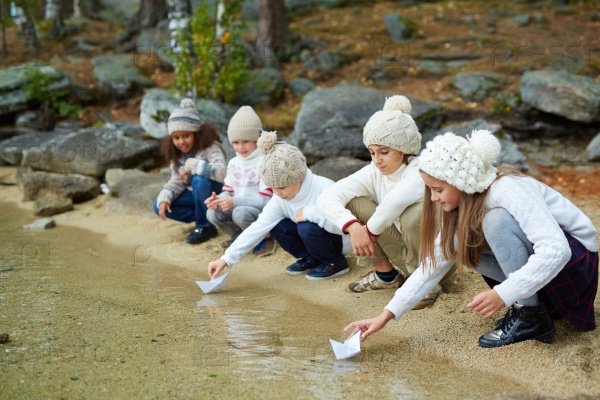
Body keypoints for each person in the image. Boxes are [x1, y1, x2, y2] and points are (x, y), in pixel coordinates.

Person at [345, 129, 598, 348]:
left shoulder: (507, 189)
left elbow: (557, 250)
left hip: (576, 265)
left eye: (438, 190)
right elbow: (431, 267)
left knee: (495, 221)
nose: (433, 198)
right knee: (462, 246)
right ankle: (539, 303)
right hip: (548, 272)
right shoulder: (462, 208)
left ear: (461, 182)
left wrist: (503, 293)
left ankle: (530, 315)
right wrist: (385, 316)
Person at [317, 95, 452, 308]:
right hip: (402, 253)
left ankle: (427, 284)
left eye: (384, 152)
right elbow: (327, 198)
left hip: (436, 258)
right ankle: (385, 276)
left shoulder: (420, 168)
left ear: (405, 149)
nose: (377, 159)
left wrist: (368, 232)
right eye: (372, 152)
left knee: (413, 214)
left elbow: (397, 200)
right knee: (355, 203)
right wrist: (352, 227)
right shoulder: (373, 171)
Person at [208, 131, 352, 281]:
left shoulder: (324, 187)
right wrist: (225, 260)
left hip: (341, 241)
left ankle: (335, 262)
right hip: (314, 240)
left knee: (306, 226)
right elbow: (257, 228)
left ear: (300, 177)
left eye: (282, 187)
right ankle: (312, 258)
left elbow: (345, 225)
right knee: (276, 225)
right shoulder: (279, 198)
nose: (277, 193)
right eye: (272, 188)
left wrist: (310, 213)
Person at [205, 105, 276, 257]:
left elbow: (266, 200)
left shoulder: (264, 161)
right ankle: (238, 236)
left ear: (257, 139)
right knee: (212, 213)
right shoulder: (234, 163)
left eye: (246, 141)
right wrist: (218, 200)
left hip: (261, 212)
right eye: (236, 142)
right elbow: (228, 192)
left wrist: (235, 201)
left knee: (240, 213)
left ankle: (264, 238)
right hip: (239, 206)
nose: (240, 147)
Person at [153, 98, 227, 244]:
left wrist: (192, 166)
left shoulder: (211, 148)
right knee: (158, 205)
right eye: (176, 137)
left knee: (198, 180)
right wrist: (165, 197)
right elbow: (177, 181)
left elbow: (221, 173)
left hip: (215, 193)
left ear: (196, 133)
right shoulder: (177, 155)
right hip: (197, 197)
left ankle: (205, 226)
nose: (181, 142)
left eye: (186, 136)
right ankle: (206, 217)